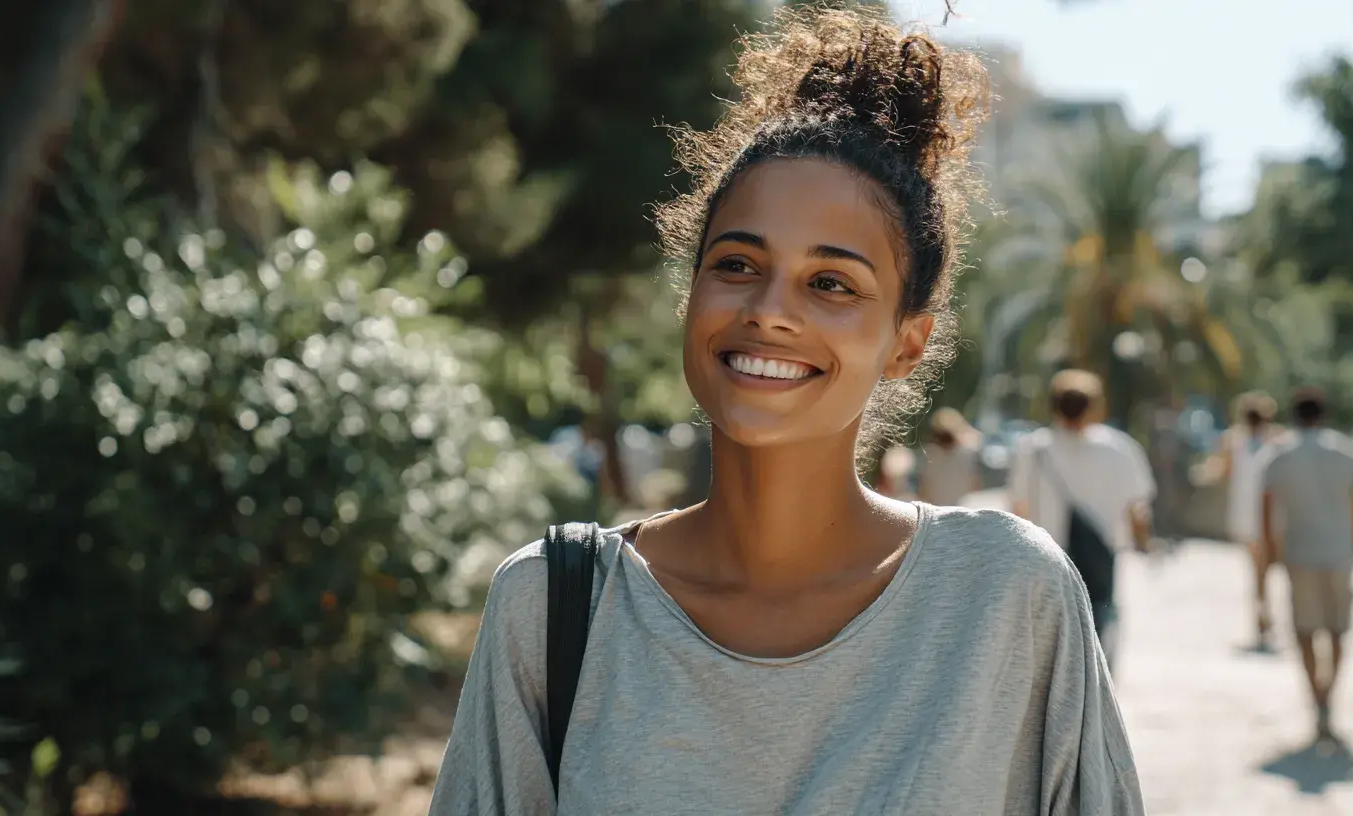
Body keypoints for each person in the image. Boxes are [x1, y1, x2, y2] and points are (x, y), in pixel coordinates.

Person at [433, 7, 1144, 814]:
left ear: (907, 343)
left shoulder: (1008, 600)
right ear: (692, 294)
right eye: (737, 263)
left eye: (831, 283)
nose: (770, 310)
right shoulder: (556, 607)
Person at [1009, 369, 1155, 671]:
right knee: (1098, 621)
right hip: (1102, 552)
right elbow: (1138, 507)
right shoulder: (1119, 448)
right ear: (1096, 406)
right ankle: (1094, 684)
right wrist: (1144, 542)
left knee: (1047, 627)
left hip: (1045, 554)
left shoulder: (1034, 449)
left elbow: (1017, 507)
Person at [1261, 387, 1353, 744]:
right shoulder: (1347, 452)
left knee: (1305, 630)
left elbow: (1266, 507)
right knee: (1339, 630)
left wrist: (1270, 551)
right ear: (1324, 414)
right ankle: (1328, 693)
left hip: (1300, 553)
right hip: (1341, 553)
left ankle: (1316, 696)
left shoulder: (1280, 455)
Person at [1216, 391, 1284, 648]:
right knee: (1263, 570)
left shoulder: (1233, 440)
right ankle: (1264, 615)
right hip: (1266, 512)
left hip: (1249, 511)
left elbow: (1224, 472)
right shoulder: (1276, 439)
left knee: (1258, 570)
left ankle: (1262, 615)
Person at [916, 406, 982, 506]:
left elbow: (923, 490)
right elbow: (975, 485)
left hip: (938, 510)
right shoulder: (967, 454)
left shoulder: (929, 454)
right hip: (962, 509)